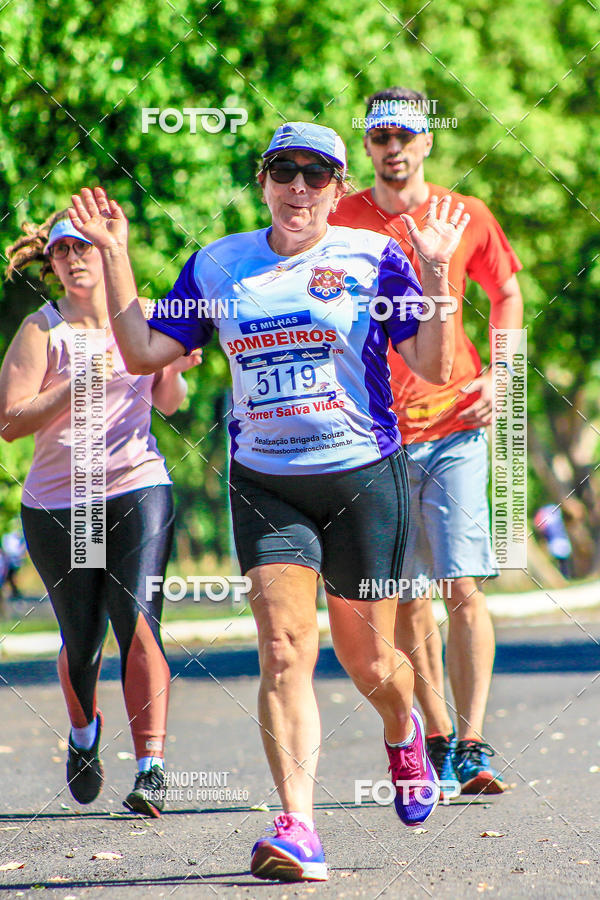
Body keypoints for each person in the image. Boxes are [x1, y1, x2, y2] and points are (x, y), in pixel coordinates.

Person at [67, 120, 469, 883]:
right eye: (284, 171)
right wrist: (117, 258)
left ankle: (403, 728)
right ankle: (298, 827)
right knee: (284, 650)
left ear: (339, 189)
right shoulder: (221, 265)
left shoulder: (373, 256)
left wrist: (438, 272)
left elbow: (434, 364)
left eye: (317, 175)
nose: (299, 187)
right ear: (263, 182)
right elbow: (143, 352)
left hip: (362, 478)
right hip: (265, 479)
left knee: (370, 661)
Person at [330, 87, 524, 795]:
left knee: (461, 584)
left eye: (405, 135)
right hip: (376, 435)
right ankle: (437, 735)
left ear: (427, 142)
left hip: (455, 427)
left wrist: (505, 379)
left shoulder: (464, 214)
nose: (393, 147)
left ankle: (474, 743)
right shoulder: (341, 216)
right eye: (380, 136)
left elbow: (506, 293)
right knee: (406, 593)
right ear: (369, 145)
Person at [0, 211, 201, 816]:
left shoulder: (141, 317)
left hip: (138, 484)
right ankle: (84, 730)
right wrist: (77, 385)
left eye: (84, 246)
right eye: (61, 251)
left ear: (106, 251)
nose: (74, 258)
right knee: (82, 641)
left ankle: (151, 767)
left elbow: (168, 401)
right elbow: (9, 422)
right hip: (65, 502)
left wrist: (171, 371)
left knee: (137, 617)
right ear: (52, 264)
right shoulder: (43, 329)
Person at [534, 505, 573, 579]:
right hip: (561, 540)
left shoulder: (544, 514)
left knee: (560, 562)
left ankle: (564, 576)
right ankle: (565, 576)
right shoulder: (556, 512)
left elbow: (539, 528)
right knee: (563, 562)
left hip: (555, 542)